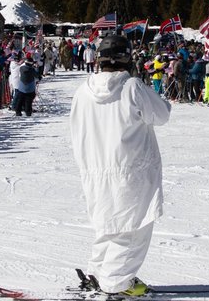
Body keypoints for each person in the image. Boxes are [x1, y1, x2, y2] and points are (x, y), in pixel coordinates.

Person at [71, 33, 171, 297]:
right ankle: (117, 282)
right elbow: (161, 115)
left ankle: (98, 271)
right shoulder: (132, 87)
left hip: (95, 168)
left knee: (108, 223)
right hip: (131, 168)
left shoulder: (83, 90)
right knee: (132, 228)